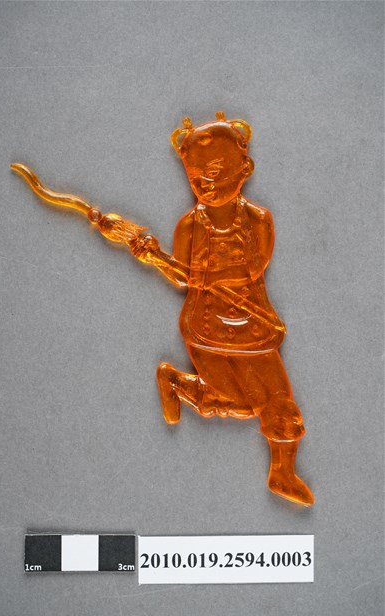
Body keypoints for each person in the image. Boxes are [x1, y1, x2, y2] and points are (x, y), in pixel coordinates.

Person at [129, 113, 314, 506]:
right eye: (197, 179)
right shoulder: (189, 227)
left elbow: (253, 270)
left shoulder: (258, 220)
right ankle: (175, 382)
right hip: (205, 326)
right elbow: (184, 279)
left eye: (215, 174)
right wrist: (156, 257)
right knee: (238, 403)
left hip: (255, 325)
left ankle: (282, 474)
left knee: (279, 406)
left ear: (245, 169)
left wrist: (204, 276)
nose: (206, 186)